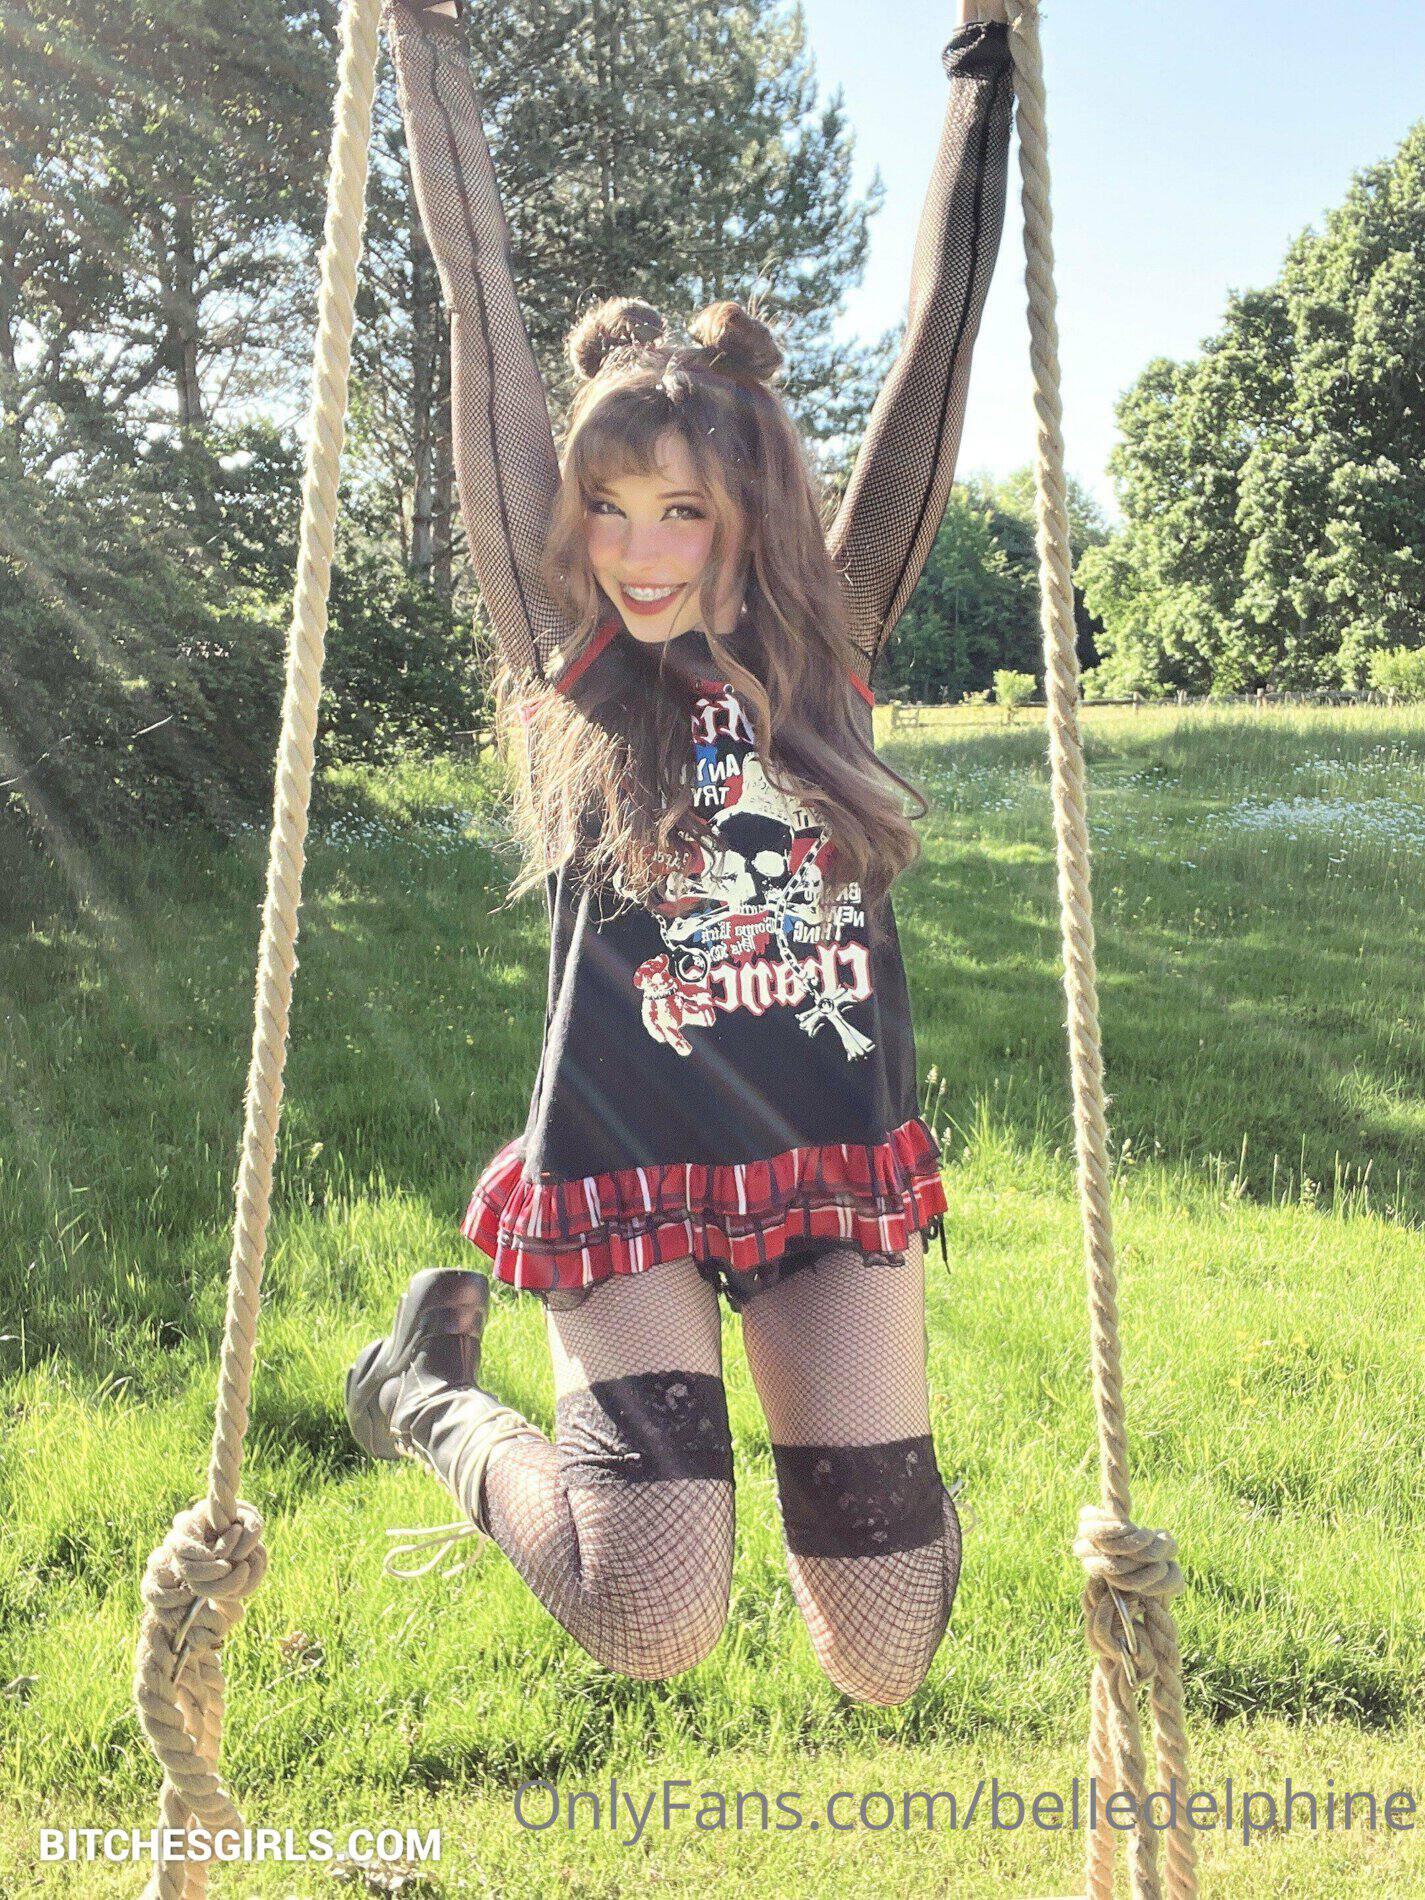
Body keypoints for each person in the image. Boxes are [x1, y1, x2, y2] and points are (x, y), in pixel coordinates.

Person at [347, 0, 1013, 1707]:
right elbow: (482, 307)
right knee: (650, 1617)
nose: (638, 553)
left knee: (882, 1657)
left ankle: (855, 1483)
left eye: (683, 513)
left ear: (749, 515)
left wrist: (980, 65)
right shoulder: (572, 661)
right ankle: (423, 1397)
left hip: (824, 1169)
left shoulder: (834, 647)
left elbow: (940, 339)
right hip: (625, 1172)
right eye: (607, 510)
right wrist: (422, 40)